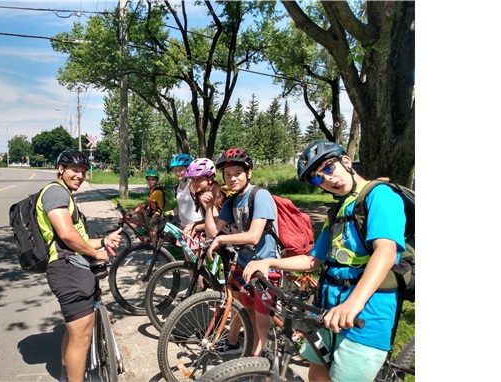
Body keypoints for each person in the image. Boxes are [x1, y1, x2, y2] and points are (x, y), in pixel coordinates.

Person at [242, 141, 406, 382]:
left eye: (328, 168)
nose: (327, 180)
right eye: (318, 180)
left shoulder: (380, 195)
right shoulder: (339, 211)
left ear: (346, 162)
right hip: (328, 308)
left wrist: (352, 304)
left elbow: (386, 251)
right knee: (317, 374)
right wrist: (269, 263)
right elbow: (312, 260)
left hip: (366, 314)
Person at [40, 149, 123, 382]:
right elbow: (67, 235)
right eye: (75, 170)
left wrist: (103, 241)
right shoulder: (56, 193)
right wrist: (95, 252)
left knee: (74, 329)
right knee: (82, 336)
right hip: (68, 270)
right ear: (61, 169)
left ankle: (68, 373)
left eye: (84, 172)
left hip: (71, 266)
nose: (80, 175)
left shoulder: (64, 194)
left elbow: (77, 239)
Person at [201, 148, 281, 357]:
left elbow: (254, 236)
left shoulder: (260, 195)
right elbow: (212, 231)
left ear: (249, 173)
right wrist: (209, 208)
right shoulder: (233, 200)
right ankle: (254, 356)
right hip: (245, 266)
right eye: (228, 175)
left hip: (266, 266)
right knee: (250, 315)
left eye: (237, 173)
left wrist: (221, 239)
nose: (232, 178)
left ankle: (263, 364)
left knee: (263, 323)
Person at [169, 154, 204, 259]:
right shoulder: (179, 187)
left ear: (188, 169)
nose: (178, 172)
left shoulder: (193, 184)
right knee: (189, 264)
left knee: (198, 267)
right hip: (184, 228)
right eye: (175, 170)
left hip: (195, 229)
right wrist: (170, 213)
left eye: (181, 169)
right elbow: (180, 207)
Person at [126, 169, 165, 242]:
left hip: (157, 214)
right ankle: (142, 227)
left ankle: (155, 248)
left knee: (152, 232)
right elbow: (151, 201)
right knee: (138, 209)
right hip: (152, 210)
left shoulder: (157, 191)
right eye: (149, 179)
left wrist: (132, 212)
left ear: (157, 180)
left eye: (153, 179)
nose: (150, 181)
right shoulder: (152, 189)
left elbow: (145, 203)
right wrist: (148, 207)